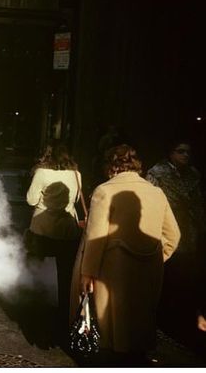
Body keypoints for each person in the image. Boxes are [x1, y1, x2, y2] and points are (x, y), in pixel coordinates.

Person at [75, 144, 180, 365]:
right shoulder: (156, 192)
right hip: (149, 269)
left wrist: (87, 273)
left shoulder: (104, 191)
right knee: (140, 324)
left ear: (111, 166)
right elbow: (173, 234)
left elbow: (96, 238)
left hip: (112, 271)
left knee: (113, 331)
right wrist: (158, 258)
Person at [146, 139, 206, 348]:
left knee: (186, 278)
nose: (185, 155)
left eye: (188, 152)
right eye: (180, 151)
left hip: (189, 232)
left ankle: (180, 320)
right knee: (168, 275)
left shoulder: (193, 175)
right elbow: (150, 202)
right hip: (168, 229)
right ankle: (164, 320)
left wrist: (200, 228)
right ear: (170, 153)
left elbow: (198, 204)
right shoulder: (157, 173)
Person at [26, 141, 82, 341]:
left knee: (36, 269)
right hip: (67, 230)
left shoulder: (42, 173)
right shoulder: (76, 174)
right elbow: (74, 200)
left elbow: (31, 199)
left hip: (43, 228)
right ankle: (63, 315)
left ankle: (35, 311)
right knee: (66, 274)